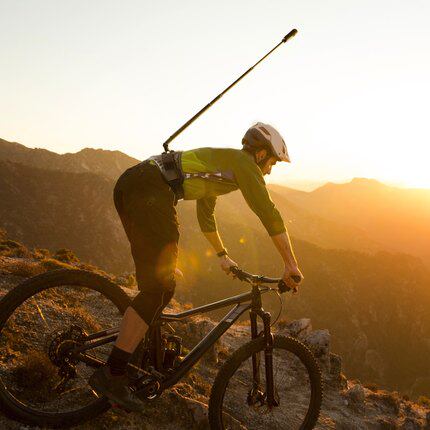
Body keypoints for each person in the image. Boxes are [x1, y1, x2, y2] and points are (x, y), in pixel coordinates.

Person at [89, 122, 303, 410]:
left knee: (157, 285)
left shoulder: (223, 165)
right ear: (262, 154)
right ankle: (113, 374)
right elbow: (268, 212)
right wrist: (291, 264)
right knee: (159, 290)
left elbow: (206, 216)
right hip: (150, 189)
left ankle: (137, 358)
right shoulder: (244, 163)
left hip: (133, 184)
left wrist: (222, 255)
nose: (270, 170)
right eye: (273, 163)